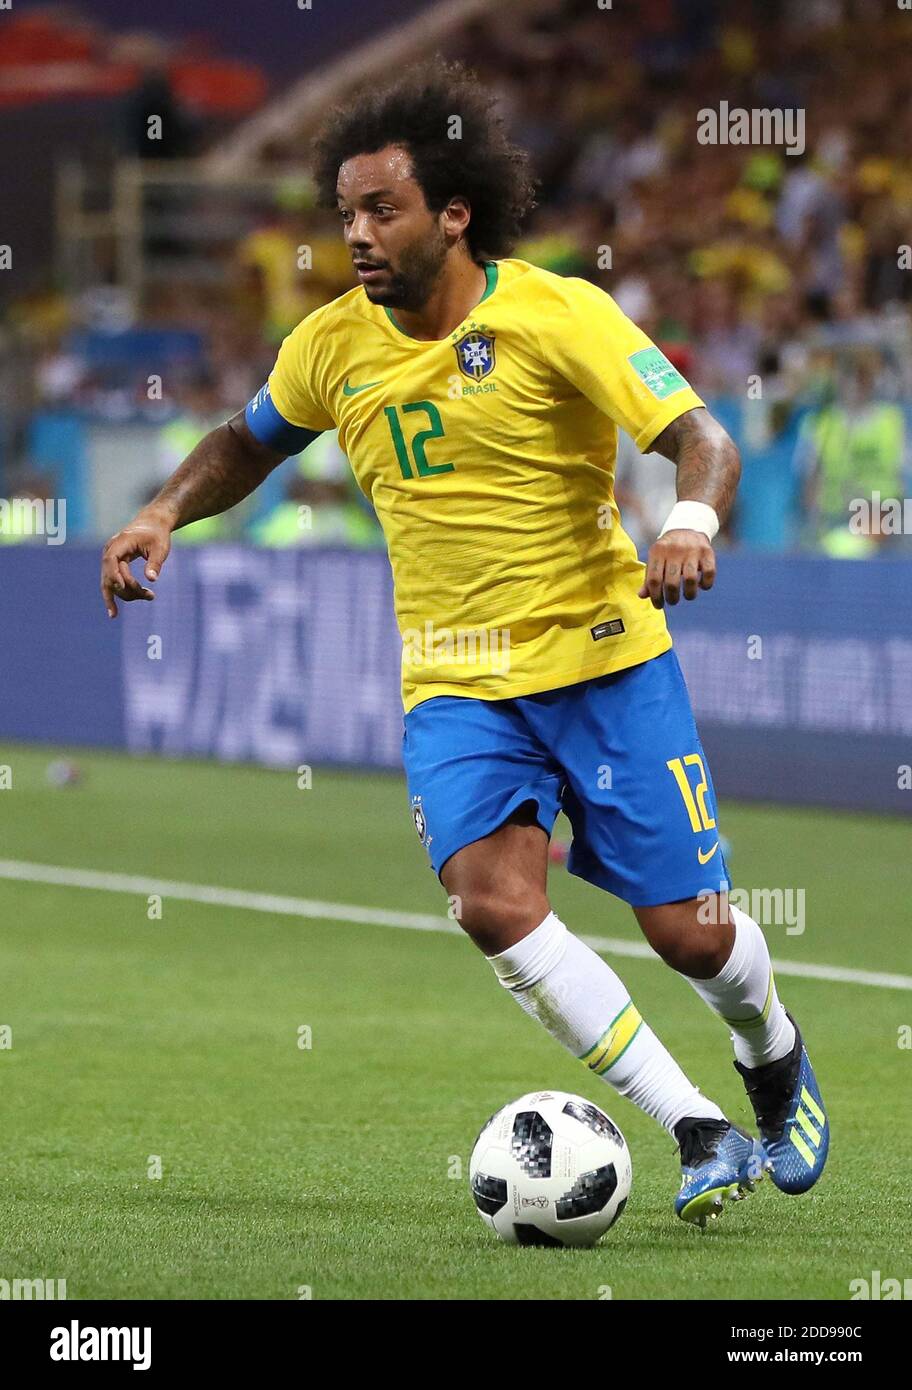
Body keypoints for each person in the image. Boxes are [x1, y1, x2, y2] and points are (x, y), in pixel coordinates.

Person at [100, 59, 828, 1228]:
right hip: (456, 686)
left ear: (454, 211)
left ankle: (774, 1053)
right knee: (493, 904)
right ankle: (695, 1123)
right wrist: (158, 509)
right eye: (344, 214)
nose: (357, 236)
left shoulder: (558, 314)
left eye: (380, 210)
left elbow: (702, 438)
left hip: (603, 661)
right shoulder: (331, 345)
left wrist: (689, 522)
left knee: (690, 936)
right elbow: (246, 442)